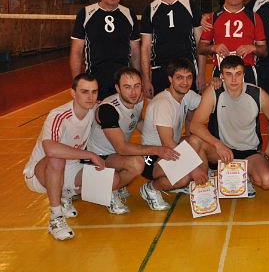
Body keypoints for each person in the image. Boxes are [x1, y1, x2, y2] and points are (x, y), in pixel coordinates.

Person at [23, 74, 108, 240]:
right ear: (73, 93)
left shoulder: (94, 110)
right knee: (57, 158)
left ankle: (64, 194)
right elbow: (50, 149)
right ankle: (56, 217)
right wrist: (89, 154)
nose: (90, 97)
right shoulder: (59, 115)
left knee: (112, 181)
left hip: (72, 166)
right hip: (40, 172)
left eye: (94, 92)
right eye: (84, 92)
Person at [87, 67, 179, 214]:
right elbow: (122, 148)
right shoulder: (108, 109)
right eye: (127, 87)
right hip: (97, 157)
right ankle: (109, 191)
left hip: (115, 155)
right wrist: (157, 149)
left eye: (137, 86)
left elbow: (136, 122)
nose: (134, 92)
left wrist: (158, 138)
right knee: (137, 163)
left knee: (153, 155)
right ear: (117, 88)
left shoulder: (138, 100)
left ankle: (115, 182)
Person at [190, 55, 269, 196]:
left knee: (268, 181)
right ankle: (206, 183)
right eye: (229, 74)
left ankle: (245, 175)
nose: (234, 79)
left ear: (244, 74)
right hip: (221, 152)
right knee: (194, 140)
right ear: (221, 76)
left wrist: (268, 152)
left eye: (238, 74)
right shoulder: (214, 92)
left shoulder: (257, 93)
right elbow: (195, 125)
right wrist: (218, 144)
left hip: (249, 152)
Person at [138, 58, 209, 210]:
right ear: (170, 79)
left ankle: (199, 185)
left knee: (196, 140)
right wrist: (193, 168)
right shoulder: (163, 103)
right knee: (183, 177)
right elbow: (168, 143)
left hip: (169, 151)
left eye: (189, 77)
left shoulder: (187, 95)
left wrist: (216, 85)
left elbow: (210, 103)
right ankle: (150, 188)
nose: (185, 82)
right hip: (151, 157)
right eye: (179, 77)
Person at [70, 0, 140, 100]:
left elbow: (135, 52)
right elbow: (76, 51)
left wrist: (139, 80)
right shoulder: (85, 13)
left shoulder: (129, 14)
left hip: (123, 82)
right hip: (94, 81)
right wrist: (77, 83)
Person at [140, 0, 206, 98]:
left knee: (190, 109)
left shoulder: (190, 5)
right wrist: (146, 79)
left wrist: (201, 74)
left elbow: (201, 42)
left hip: (187, 69)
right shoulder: (150, 9)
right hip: (160, 70)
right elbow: (145, 47)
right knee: (162, 108)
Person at [198, 0, 267, 87]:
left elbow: (264, 51)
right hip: (220, 72)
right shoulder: (212, 18)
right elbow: (201, 48)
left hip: (247, 72)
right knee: (219, 99)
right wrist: (214, 47)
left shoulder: (254, 18)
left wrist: (252, 48)